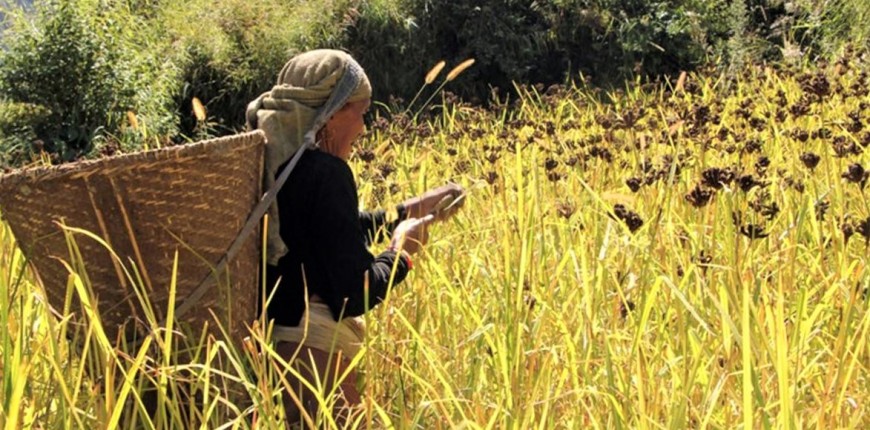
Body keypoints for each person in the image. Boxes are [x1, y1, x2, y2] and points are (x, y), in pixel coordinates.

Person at [246, 49, 463, 426]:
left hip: (274, 344)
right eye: (361, 113)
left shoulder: (270, 166)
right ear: (330, 115)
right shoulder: (327, 173)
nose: (364, 128)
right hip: (316, 351)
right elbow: (355, 292)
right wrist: (402, 251)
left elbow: (330, 230)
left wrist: (407, 210)